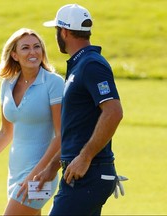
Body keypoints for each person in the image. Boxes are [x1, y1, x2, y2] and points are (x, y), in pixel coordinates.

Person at [0, 28, 65, 216]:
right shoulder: (7, 84)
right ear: (14, 55)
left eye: (36, 47)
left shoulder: (54, 83)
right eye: (25, 48)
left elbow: (61, 135)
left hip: (40, 174)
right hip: (16, 172)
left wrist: (36, 174)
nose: (33, 52)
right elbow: (5, 132)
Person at [33, 4, 124, 215]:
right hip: (81, 175)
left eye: (57, 30)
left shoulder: (91, 64)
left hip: (88, 176)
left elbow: (114, 112)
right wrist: (52, 167)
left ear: (64, 32)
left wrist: (85, 157)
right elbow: (77, 130)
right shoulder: (80, 64)